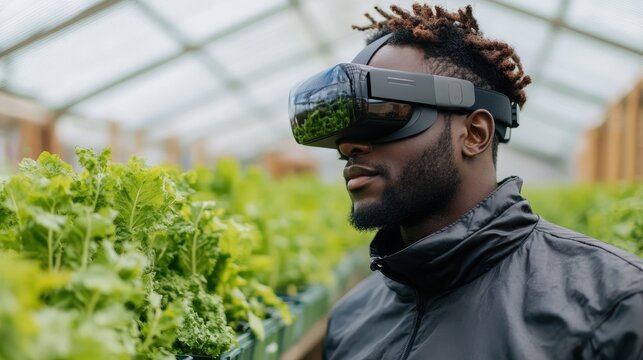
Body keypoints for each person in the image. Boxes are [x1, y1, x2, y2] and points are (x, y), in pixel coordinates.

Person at [287, 3, 643, 359]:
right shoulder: (351, 321)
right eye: (344, 129)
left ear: (474, 133)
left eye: (384, 113)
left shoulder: (614, 307)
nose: (349, 145)